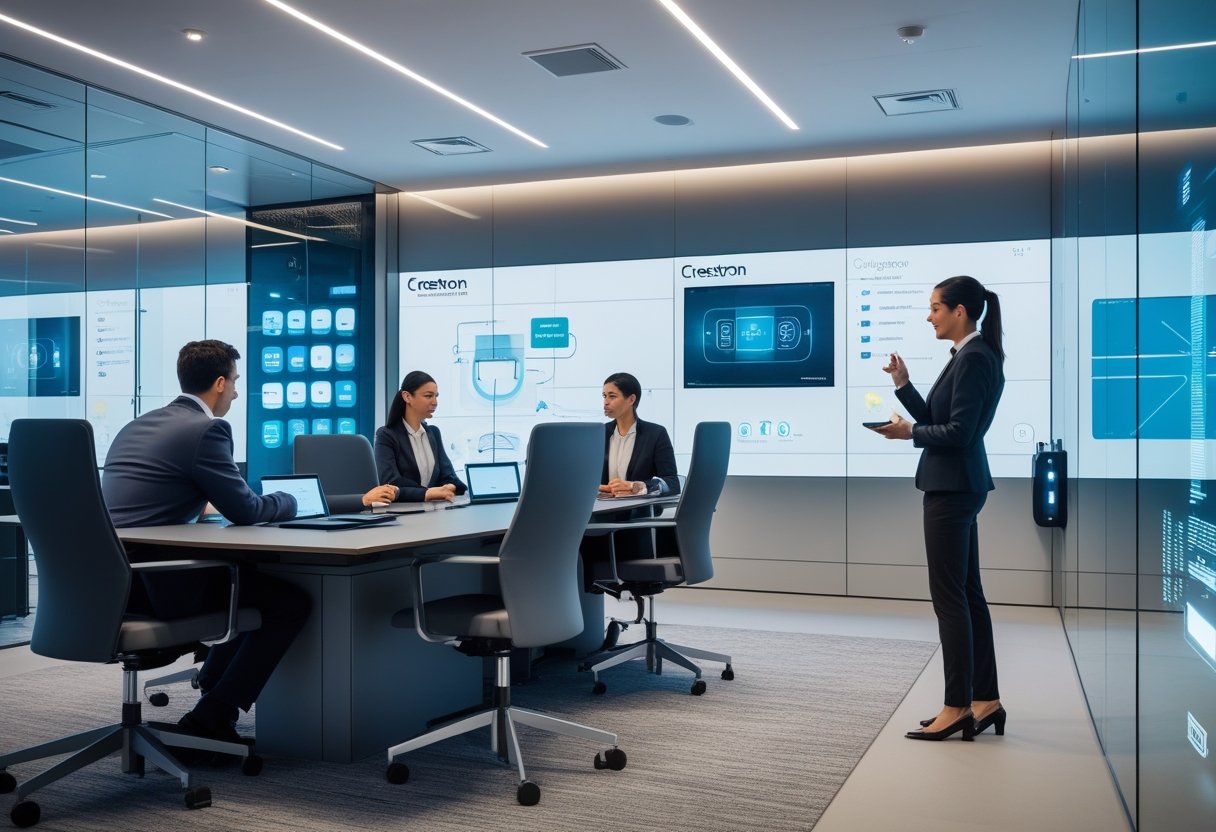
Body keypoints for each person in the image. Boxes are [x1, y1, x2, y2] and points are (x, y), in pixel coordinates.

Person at [102, 339, 313, 745]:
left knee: (247, 579)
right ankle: (213, 716)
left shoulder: (138, 424)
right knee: (289, 601)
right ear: (219, 383)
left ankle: (214, 687)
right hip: (163, 585)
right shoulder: (208, 428)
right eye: (234, 382)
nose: (235, 391)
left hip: (115, 585)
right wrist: (291, 501)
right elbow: (248, 511)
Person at [875, 275, 1007, 742]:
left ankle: (957, 707)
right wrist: (904, 386)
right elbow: (940, 419)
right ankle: (985, 699)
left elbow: (958, 434)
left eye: (934, 307)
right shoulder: (970, 356)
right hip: (959, 485)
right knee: (968, 595)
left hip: (952, 489)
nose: (928, 315)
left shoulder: (973, 358)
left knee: (950, 600)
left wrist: (909, 433)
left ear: (960, 312)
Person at [581, 373, 681, 621]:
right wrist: (597, 487)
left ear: (631, 399)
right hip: (602, 518)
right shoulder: (598, 434)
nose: (605, 402)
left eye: (612, 396)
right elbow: (585, 476)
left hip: (636, 524)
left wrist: (637, 486)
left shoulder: (655, 434)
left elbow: (672, 482)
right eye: (604, 396)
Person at [375, 370, 466, 502]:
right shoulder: (387, 435)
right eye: (428, 396)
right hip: (402, 513)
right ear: (407, 397)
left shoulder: (433, 433)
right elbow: (390, 483)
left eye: (436, 396)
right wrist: (427, 493)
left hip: (433, 512)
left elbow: (449, 475)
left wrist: (451, 486)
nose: (435, 402)